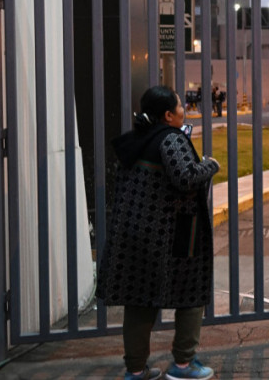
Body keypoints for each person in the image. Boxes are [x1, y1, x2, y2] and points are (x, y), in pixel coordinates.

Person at [96, 86, 221, 380]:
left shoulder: (138, 138)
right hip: (172, 234)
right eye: (179, 106)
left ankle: (136, 370)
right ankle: (183, 365)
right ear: (167, 115)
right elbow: (186, 177)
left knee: (139, 302)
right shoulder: (171, 139)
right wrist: (209, 166)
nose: (183, 109)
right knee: (190, 295)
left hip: (134, 234)